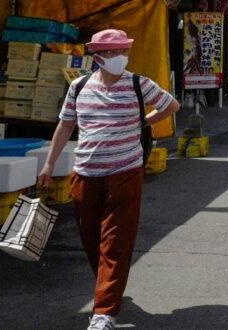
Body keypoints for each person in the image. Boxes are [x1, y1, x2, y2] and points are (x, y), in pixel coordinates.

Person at [38, 29, 180, 330]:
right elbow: (65, 127)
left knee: (115, 243)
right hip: (85, 174)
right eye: (113, 53)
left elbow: (171, 105)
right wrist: (49, 165)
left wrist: (145, 120)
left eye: (123, 52)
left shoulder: (140, 84)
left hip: (125, 173)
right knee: (92, 241)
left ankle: (104, 313)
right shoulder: (79, 86)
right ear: (98, 57)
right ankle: (109, 289)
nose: (119, 58)